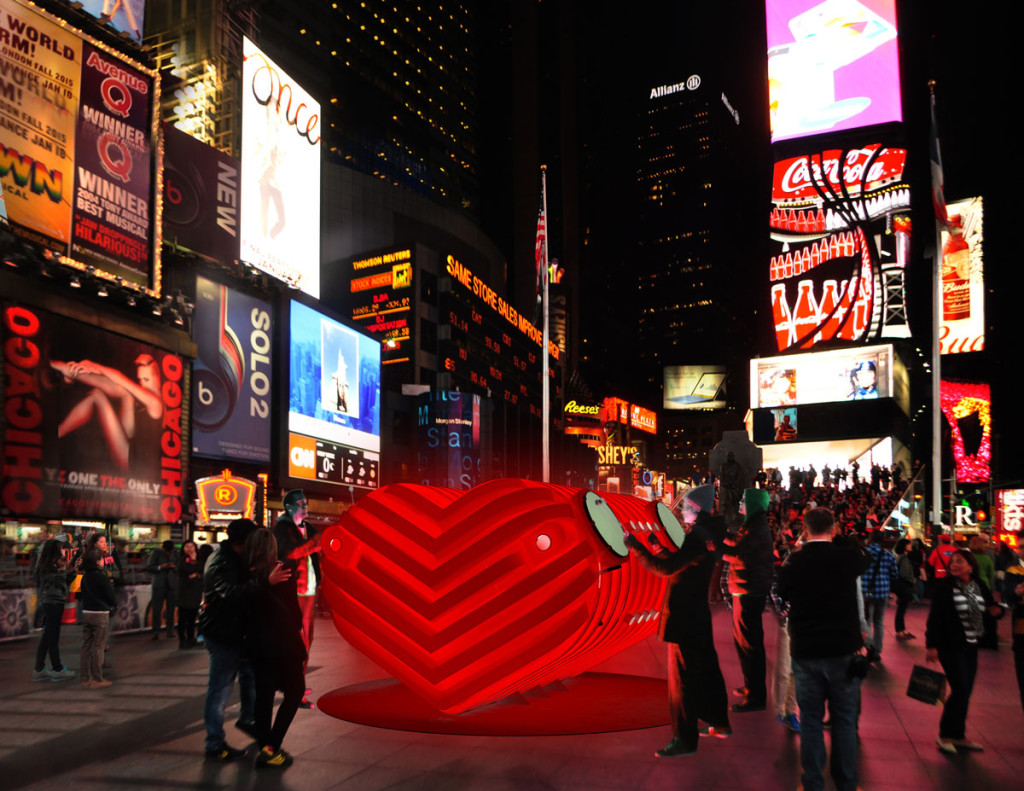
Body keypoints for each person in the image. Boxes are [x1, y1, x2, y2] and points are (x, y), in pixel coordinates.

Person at [624, 485, 731, 757]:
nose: (682, 511)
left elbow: (666, 569)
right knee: (707, 669)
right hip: (698, 614)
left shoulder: (696, 537)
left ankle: (684, 739)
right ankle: (719, 722)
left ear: (696, 508)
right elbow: (682, 563)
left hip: (684, 617)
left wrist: (634, 546)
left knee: (682, 680)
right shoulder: (709, 534)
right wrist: (658, 547)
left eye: (685, 506)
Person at [777, 507, 870, 791]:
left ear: (804, 530)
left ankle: (812, 782)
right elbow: (862, 556)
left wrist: (799, 549)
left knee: (811, 722)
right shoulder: (848, 558)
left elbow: (781, 593)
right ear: (834, 529)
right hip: (843, 650)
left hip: (806, 651)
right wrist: (837, 537)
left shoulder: (794, 563)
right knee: (843, 721)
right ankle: (847, 783)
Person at [200, 518, 290, 761]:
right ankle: (214, 744)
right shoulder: (222, 561)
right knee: (220, 689)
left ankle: (248, 720)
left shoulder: (235, 558)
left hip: (236, 632)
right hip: (222, 633)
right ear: (245, 541)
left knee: (250, 678)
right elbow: (230, 594)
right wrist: (264, 581)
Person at [926, 549, 1003, 754]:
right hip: (950, 646)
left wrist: (998, 611)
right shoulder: (945, 587)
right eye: (953, 562)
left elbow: (991, 607)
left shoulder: (979, 586)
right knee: (960, 689)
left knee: (966, 691)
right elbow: (935, 618)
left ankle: (958, 735)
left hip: (972, 644)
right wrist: (931, 645)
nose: (955, 565)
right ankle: (945, 734)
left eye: (960, 562)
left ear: (971, 566)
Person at [244, 529, 307, 769]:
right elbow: (292, 606)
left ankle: (266, 748)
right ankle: (271, 746)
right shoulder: (283, 569)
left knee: (264, 696)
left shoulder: (246, 575)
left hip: (257, 644)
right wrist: (298, 625)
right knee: (294, 691)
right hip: (283, 643)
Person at [50, 354, 164, 472]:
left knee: (98, 394)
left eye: (146, 380)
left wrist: (93, 366)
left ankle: (56, 434)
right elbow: (114, 384)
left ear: (157, 378)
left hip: (133, 463)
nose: (143, 384)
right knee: (125, 393)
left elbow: (122, 380)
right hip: (131, 444)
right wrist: (91, 371)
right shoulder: (151, 398)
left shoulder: (155, 402)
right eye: (140, 380)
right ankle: (70, 371)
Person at [721, 488, 774, 712]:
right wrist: (722, 536)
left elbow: (738, 553)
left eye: (744, 499)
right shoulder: (753, 525)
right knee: (745, 643)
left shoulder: (757, 527)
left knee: (749, 644)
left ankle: (755, 696)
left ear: (753, 504)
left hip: (749, 592)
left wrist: (717, 549)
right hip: (745, 590)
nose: (741, 502)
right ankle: (751, 686)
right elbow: (737, 544)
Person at [273, 489, 321, 708]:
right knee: (295, 642)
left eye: (306, 502)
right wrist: (315, 544)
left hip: (309, 590)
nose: (305, 506)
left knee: (306, 642)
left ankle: (297, 685)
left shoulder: (308, 528)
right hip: (293, 590)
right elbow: (289, 553)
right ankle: (292, 687)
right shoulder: (281, 528)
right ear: (290, 507)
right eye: (301, 503)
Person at [32, 538, 77, 682]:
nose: (63, 551)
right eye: (61, 548)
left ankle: (39, 669)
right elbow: (59, 583)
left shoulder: (45, 566)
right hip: (53, 603)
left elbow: (62, 582)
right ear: (55, 550)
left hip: (50, 602)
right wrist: (65, 570)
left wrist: (73, 571)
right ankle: (57, 669)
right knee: (53, 637)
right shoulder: (48, 567)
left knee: (47, 636)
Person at [79, 549, 116, 689]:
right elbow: (110, 595)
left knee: (86, 647)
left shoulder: (84, 577)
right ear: (97, 562)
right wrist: (113, 605)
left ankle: (84, 678)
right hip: (100, 614)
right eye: (101, 559)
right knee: (98, 647)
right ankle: (97, 678)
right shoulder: (101, 577)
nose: (103, 561)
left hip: (86, 612)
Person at [861, 531, 898, 662]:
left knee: (867, 621)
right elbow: (894, 573)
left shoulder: (863, 553)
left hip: (866, 592)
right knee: (879, 622)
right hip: (882, 592)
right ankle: (877, 650)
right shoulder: (888, 555)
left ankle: (869, 646)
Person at [148, 540, 177, 639]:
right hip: (159, 584)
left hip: (171, 584)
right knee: (157, 609)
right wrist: (160, 567)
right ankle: (156, 631)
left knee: (171, 609)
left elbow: (179, 567)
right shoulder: (156, 553)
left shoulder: (175, 553)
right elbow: (150, 567)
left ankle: (170, 630)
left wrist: (174, 567)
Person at [177, 540, 203, 649]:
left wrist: (196, 574)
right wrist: (192, 563)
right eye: (187, 547)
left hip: (195, 592)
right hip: (184, 592)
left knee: (192, 618)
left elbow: (201, 571)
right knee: (183, 618)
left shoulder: (199, 560)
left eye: (191, 546)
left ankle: (191, 638)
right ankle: (182, 640)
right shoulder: (181, 560)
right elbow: (187, 570)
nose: (189, 549)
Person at [893, 538, 917, 640]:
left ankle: (902, 629)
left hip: (902, 586)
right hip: (904, 586)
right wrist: (910, 580)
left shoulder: (902, 558)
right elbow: (904, 573)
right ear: (904, 546)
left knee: (902, 609)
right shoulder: (904, 559)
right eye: (909, 544)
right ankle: (900, 630)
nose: (910, 546)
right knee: (901, 609)